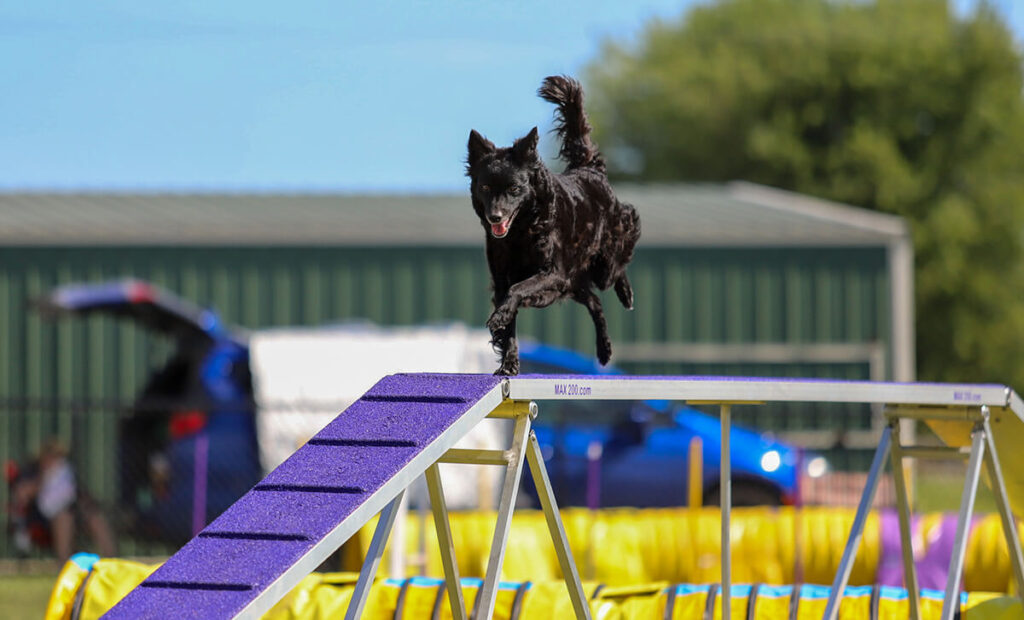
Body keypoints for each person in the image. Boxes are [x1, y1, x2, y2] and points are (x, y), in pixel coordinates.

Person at [9, 439, 116, 562]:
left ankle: (111, 561)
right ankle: (64, 564)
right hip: (40, 518)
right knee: (64, 518)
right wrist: (44, 478)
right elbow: (22, 496)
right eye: (52, 455)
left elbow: (77, 494)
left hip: (72, 512)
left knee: (95, 517)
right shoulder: (33, 471)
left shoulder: (65, 473)